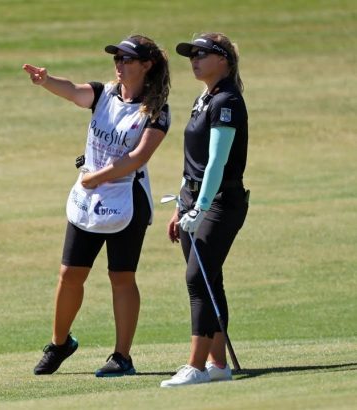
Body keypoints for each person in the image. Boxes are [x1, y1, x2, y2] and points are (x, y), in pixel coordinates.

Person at [22, 35, 171, 377]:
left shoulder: (156, 109)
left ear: (146, 66)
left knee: (121, 277)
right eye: (116, 58)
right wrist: (46, 81)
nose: (119, 64)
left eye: (127, 59)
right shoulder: (104, 93)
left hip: (127, 202)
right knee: (70, 274)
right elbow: (75, 91)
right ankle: (60, 343)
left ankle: (122, 356)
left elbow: (138, 157)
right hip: (89, 199)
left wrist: (98, 176)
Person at [160, 32, 249, 387]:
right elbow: (192, 164)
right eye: (191, 54)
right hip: (194, 201)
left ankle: (195, 367)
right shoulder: (204, 98)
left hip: (221, 203)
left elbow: (216, 162)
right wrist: (181, 205)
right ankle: (218, 364)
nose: (194, 59)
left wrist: (200, 207)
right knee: (211, 279)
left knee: (197, 279)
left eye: (203, 53)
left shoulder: (227, 100)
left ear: (224, 60)